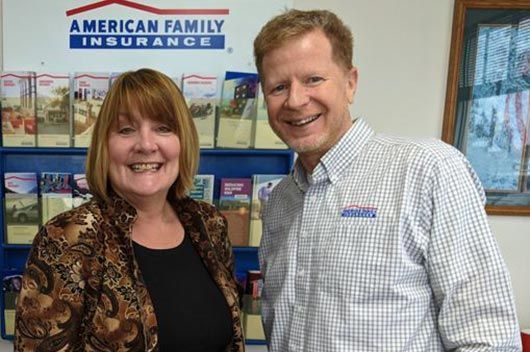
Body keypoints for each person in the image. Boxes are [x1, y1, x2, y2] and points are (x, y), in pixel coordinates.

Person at [254, 9, 521, 351]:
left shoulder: (428, 170)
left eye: (313, 79)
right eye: (278, 87)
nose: (295, 100)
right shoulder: (280, 201)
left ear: (350, 83)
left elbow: (487, 338)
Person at [14, 68, 244, 351]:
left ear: (183, 141)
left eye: (163, 128)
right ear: (104, 146)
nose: (146, 145)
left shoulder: (208, 224)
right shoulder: (67, 238)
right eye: (126, 130)